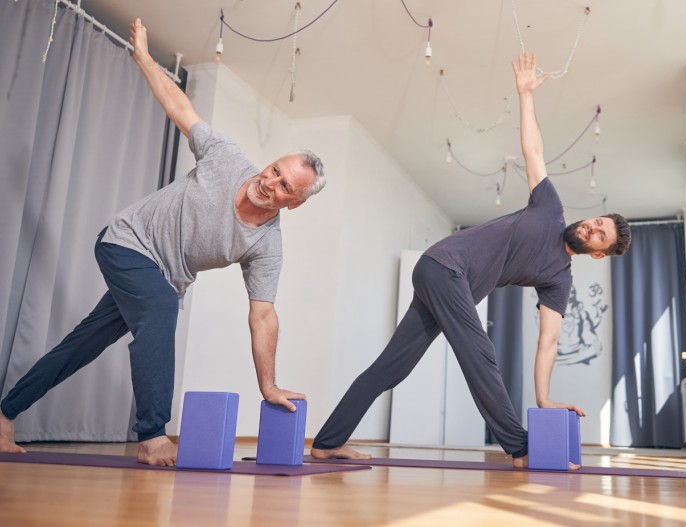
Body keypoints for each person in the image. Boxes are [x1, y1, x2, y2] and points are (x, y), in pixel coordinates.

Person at [0, 18, 326, 466]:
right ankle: (152, 435)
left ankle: (4, 412)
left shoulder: (266, 244)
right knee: (160, 307)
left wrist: (268, 386)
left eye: (285, 186)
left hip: (162, 277)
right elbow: (180, 109)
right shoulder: (226, 159)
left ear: (295, 204)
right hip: (126, 242)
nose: (269, 183)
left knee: (84, 344)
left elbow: (263, 314)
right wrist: (145, 59)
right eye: (274, 170)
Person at [310, 52, 631, 468]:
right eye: (596, 222)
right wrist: (526, 95)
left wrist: (544, 398)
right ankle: (520, 448)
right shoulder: (549, 207)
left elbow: (548, 340)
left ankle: (327, 441)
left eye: (598, 235)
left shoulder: (559, 279)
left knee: (392, 368)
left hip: (445, 282)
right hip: (445, 267)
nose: (590, 228)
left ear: (599, 252)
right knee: (480, 354)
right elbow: (533, 149)